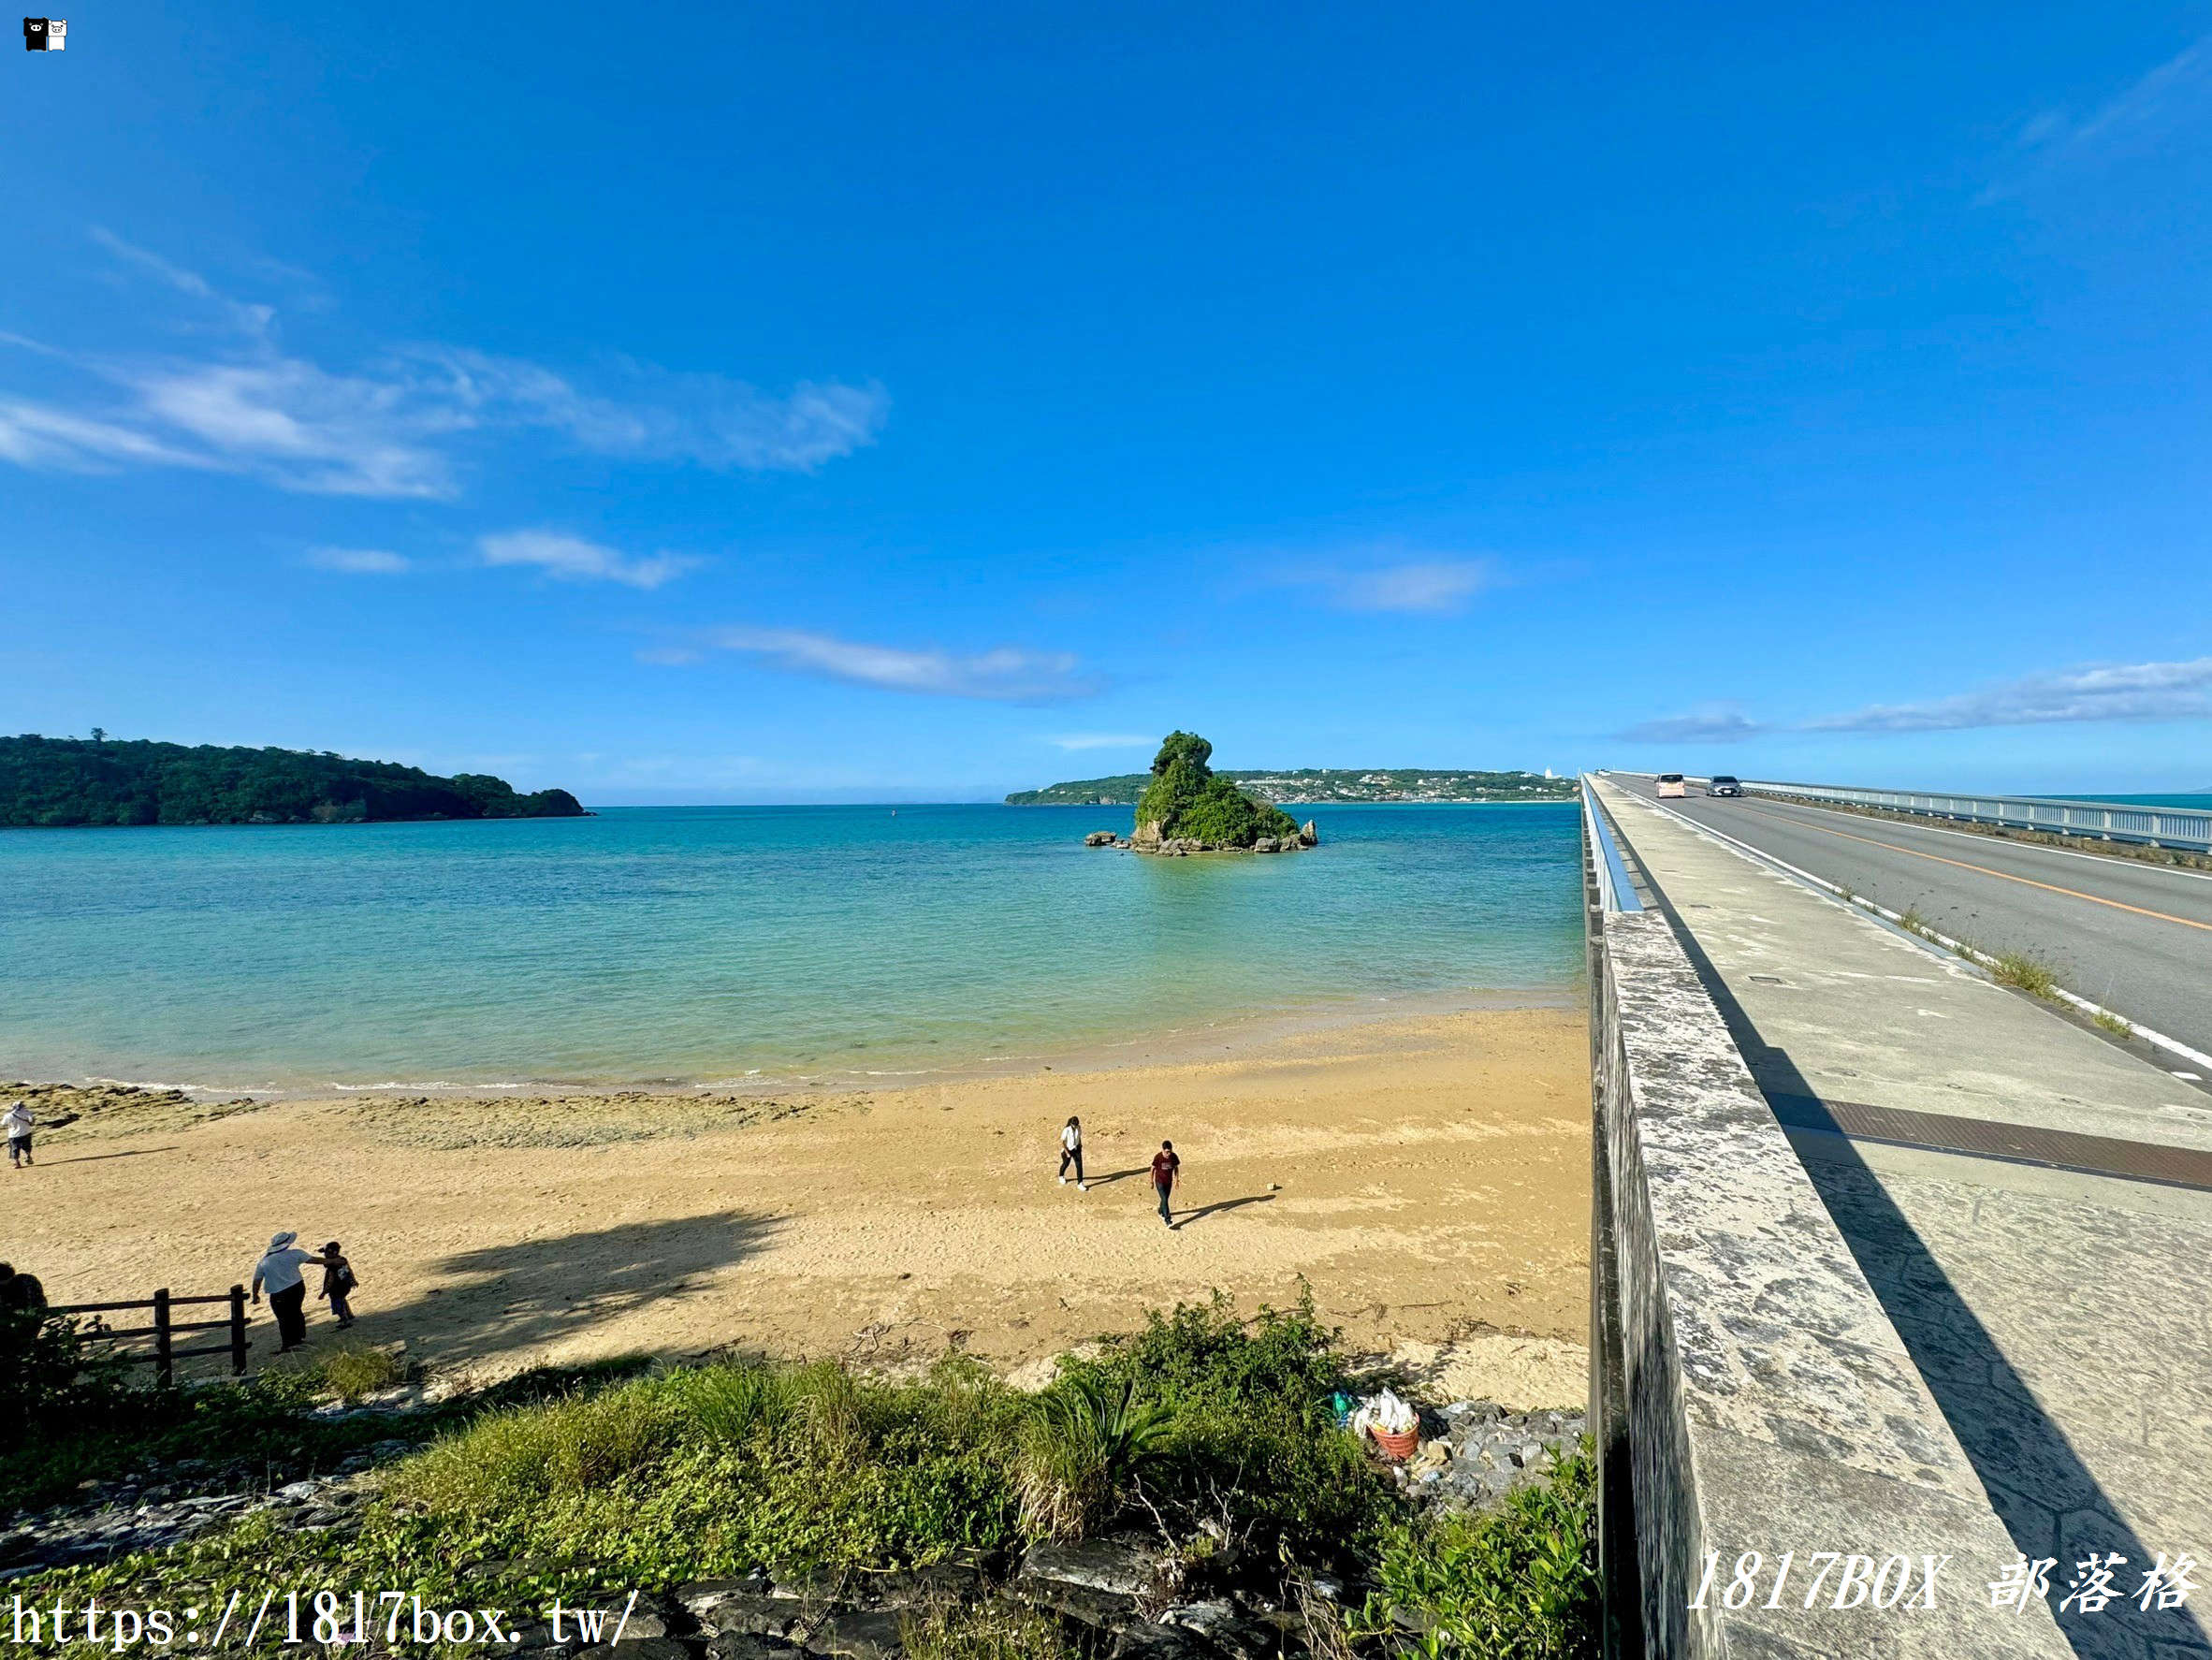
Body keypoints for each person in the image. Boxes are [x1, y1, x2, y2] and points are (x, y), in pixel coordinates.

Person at [251, 1230, 318, 1352]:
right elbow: (314, 1260)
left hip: (277, 1292)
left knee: (283, 1318)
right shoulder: (295, 1253)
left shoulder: (264, 1262)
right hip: (297, 1287)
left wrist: (255, 1296)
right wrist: (333, 1261)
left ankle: (288, 1343)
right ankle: (298, 1338)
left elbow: (257, 1280)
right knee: (296, 1312)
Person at [316, 1242, 357, 1330]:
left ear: (333, 1253)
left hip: (336, 1288)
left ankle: (344, 1320)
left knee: (337, 1304)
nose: (325, 1255)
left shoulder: (332, 1266)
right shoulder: (343, 1259)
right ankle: (349, 1315)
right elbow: (349, 1270)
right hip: (346, 1285)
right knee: (342, 1299)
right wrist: (353, 1281)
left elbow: (330, 1280)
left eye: (326, 1253)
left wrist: (324, 1292)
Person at [1150, 1140, 1180, 1228]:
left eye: (1170, 1151)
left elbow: (1176, 1169)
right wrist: (1151, 1181)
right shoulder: (1158, 1157)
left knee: (1165, 1199)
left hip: (1169, 1182)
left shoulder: (1173, 1156)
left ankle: (1160, 1210)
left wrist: (1176, 1180)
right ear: (1163, 1150)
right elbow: (1152, 1169)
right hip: (1159, 1182)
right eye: (1167, 1152)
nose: (1168, 1154)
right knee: (1165, 1199)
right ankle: (1168, 1220)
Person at [1057, 1115, 1086, 1190]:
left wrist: (1080, 1144)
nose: (1075, 1126)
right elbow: (1062, 1142)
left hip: (1076, 1149)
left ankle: (1080, 1183)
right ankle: (1061, 1176)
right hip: (1068, 1149)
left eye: (1076, 1125)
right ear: (1071, 1123)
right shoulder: (1066, 1130)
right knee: (1066, 1164)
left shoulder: (1078, 1127)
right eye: (1074, 1125)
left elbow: (1079, 1137)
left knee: (1079, 1166)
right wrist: (1067, 1152)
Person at [4, 1099, 33, 1169]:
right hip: (26, 1132)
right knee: (27, 1146)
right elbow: (31, 1120)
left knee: (14, 1148)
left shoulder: (8, 1115)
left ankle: (17, 1163)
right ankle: (28, 1157)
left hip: (14, 1135)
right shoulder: (27, 1112)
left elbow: (3, 1123)